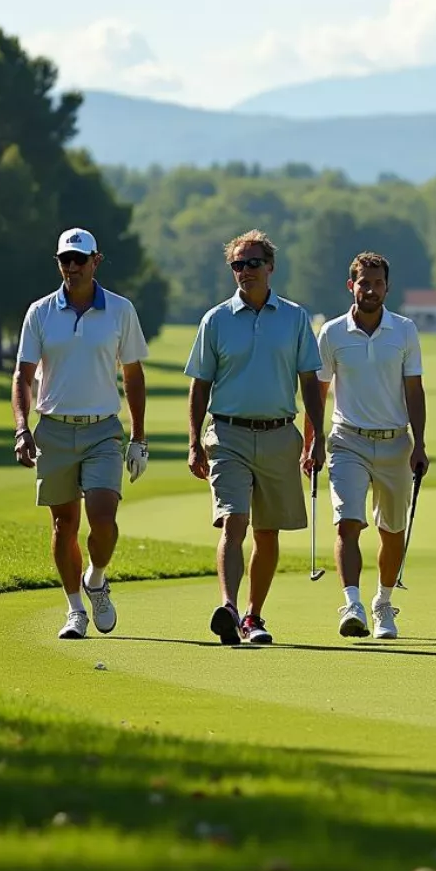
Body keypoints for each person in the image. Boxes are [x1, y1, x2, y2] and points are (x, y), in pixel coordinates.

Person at [185, 230, 325, 646]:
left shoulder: (295, 317)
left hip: (280, 434)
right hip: (227, 433)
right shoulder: (216, 319)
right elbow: (200, 385)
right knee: (234, 520)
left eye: (252, 263)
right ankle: (228, 607)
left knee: (267, 533)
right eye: (237, 265)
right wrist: (194, 441)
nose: (244, 271)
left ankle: (253, 616)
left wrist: (315, 438)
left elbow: (310, 383)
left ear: (271, 267)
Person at [12, 227, 150, 640]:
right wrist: (22, 428)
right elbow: (23, 375)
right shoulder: (40, 311)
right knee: (63, 525)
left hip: (103, 431)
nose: (71, 267)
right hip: (54, 429)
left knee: (103, 519)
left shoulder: (121, 310)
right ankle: (75, 610)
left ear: (96, 261)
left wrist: (139, 437)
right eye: (64, 260)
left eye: (79, 259)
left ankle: (96, 578)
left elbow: (133, 374)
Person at [304, 252, 428, 641]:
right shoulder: (333, 333)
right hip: (347, 441)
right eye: (363, 283)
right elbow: (318, 394)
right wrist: (312, 443)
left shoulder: (405, 330)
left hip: (395, 443)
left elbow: (414, 390)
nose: (370, 289)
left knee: (392, 531)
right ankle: (352, 603)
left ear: (387, 288)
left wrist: (420, 444)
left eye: (377, 283)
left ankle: (382, 603)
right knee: (348, 522)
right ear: (351, 286)